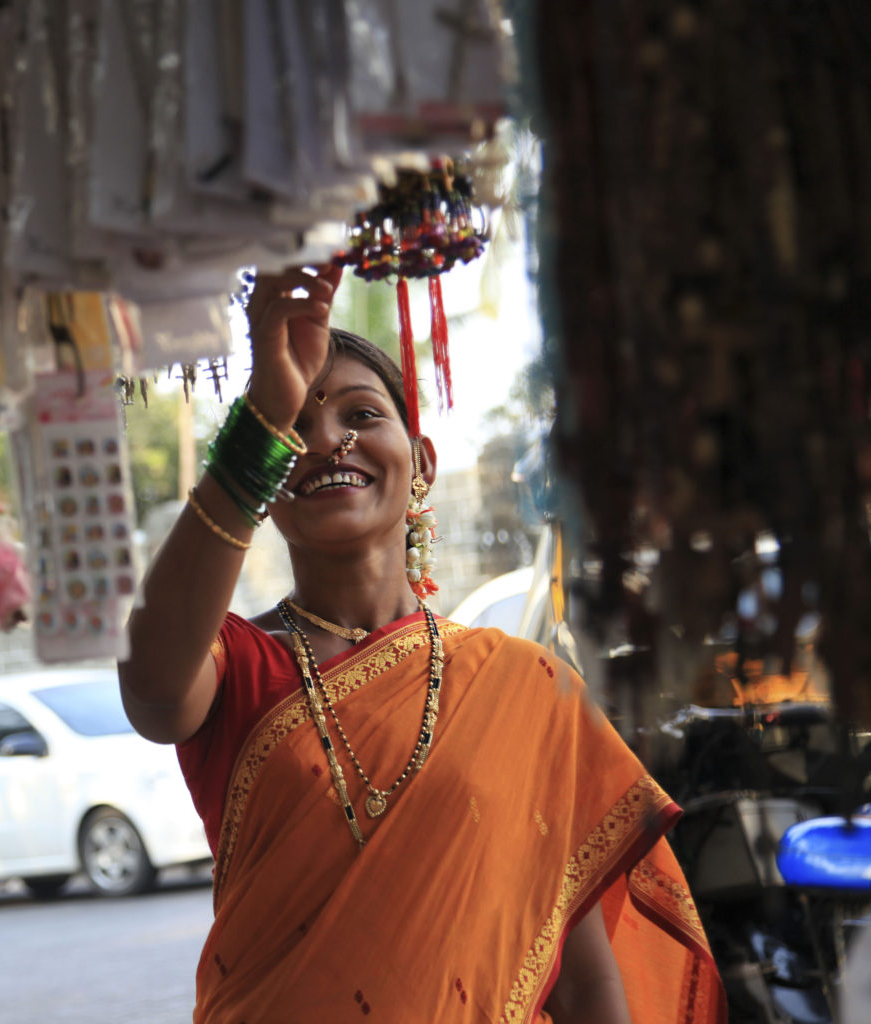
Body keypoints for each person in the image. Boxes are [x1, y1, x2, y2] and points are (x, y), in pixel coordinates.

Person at [118, 265, 726, 1022]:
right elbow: (150, 687)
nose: (328, 440)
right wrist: (259, 420)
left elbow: (577, 971)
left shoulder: (528, 688)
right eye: (296, 427)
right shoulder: (236, 663)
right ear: (267, 482)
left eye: (360, 414)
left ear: (423, 465)